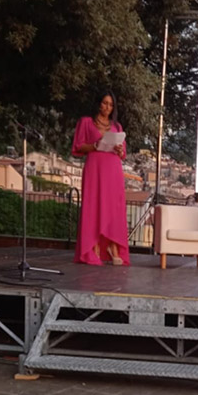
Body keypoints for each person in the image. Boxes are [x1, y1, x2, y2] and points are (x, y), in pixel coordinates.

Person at [72, 92, 129, 266]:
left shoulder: (117, 126)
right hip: (95, 168)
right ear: (98, 103)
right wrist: (95, 145)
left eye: (111, 105)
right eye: (105, 103)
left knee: (113, 208)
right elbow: (78, 146)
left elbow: (123, 153)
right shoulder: (86, 122)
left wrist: (120, 150)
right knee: (94, 206)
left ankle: (113, 247)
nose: (107, 107)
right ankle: (93, 246)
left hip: (113, 169)